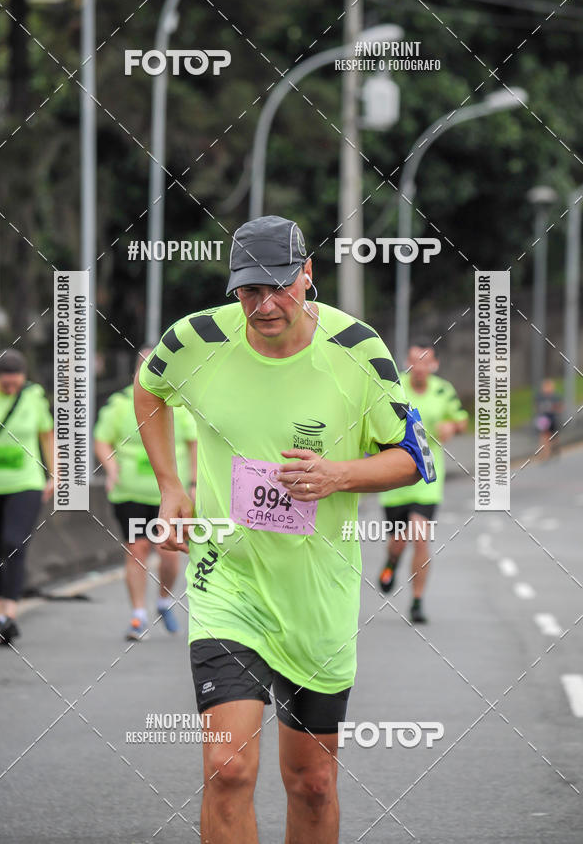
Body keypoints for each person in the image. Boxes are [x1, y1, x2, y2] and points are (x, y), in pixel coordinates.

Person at [134, 215, 436, 844]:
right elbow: (149, 391)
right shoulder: (196, 340)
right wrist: (170, 484)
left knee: (313, 783)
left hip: (316, 597)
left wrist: (338, 475)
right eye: (249, 290)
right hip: (228, 583)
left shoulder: (356, 351)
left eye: (279, 287)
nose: (265, 305)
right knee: (227, 768)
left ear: (307, 278)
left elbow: (413, 458)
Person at [94, 346, 197, 640]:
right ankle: (138, 614)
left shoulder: (178, 403)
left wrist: (193, 483)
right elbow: (101, 440)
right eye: (144, 367)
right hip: (130, 492)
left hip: (170, 496)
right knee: (136, 549)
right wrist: (111, 468)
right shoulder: (119, 404)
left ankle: (164, 599)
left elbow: (193, 442)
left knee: (168, 553)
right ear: (135, 371)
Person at [378, 341, 468, 623]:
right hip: (394, 476)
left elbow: (461, 420)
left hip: (427, 477)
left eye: (425, 362)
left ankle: (417, 601)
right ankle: (391, 562)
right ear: (408, 362)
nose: (419, 368)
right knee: (398, 542)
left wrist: (451, 426)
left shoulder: (443, 390)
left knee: (420, 537)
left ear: (434, 365)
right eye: (414, 361)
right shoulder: (395, 386)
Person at [0, 349, 54, 645]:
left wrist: (56, 474)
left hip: (25, 482)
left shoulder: (34, 396)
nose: (11, 389)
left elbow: (47, 435)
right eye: (6, 384)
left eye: (16, 383)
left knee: (14, 543)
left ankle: (10, 615)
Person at [534, 377, 562, 460]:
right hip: (544, 419)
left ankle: (555, 447)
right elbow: (536, 407)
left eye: (549, 386)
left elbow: (560, 407)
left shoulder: (555, 396)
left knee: (553, 436)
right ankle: (545, 454)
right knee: (544, 435)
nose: (547, 389)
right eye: (545, 387)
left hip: (553, 418)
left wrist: (554, 409)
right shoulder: (539, 397)